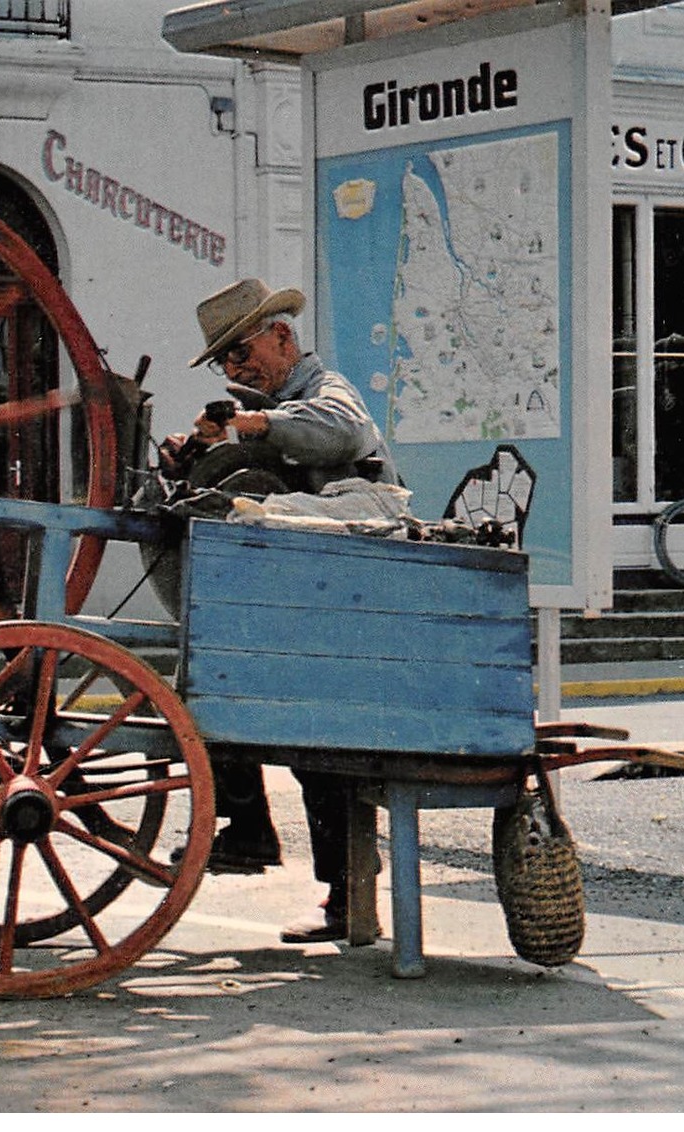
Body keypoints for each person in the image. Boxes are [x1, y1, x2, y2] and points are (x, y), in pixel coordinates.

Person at [171, 277, 399, 944]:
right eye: (227, 365)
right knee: (224, 684)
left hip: (353, 597)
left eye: (241, 356)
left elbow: (343, 431)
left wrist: (255, 423)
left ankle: (321, 881)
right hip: (311, 597)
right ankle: (255, 834)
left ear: (282, 337)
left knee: (321, 752)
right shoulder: (272, 406)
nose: (238, 372)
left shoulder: (326, 393)